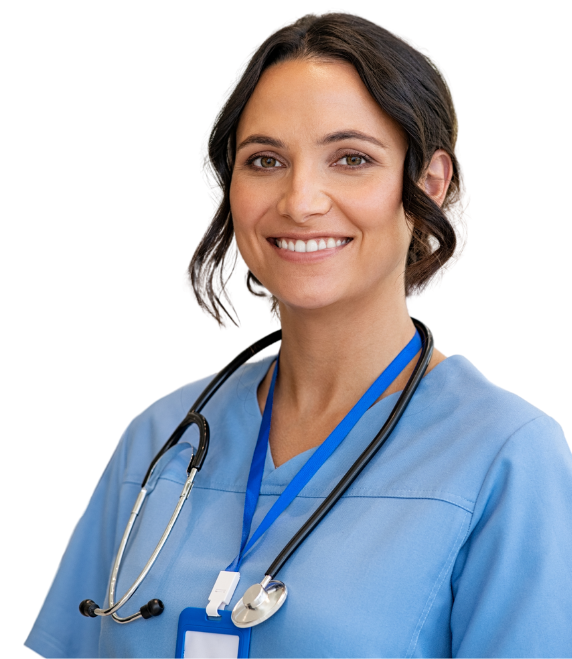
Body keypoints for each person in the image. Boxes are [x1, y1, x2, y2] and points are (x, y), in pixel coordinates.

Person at [24, 10, 571, 659]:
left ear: (427, 183)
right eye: (265, 160)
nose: (300, 199)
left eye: (351, 158)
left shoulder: (507, 455)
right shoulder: (159, 437)